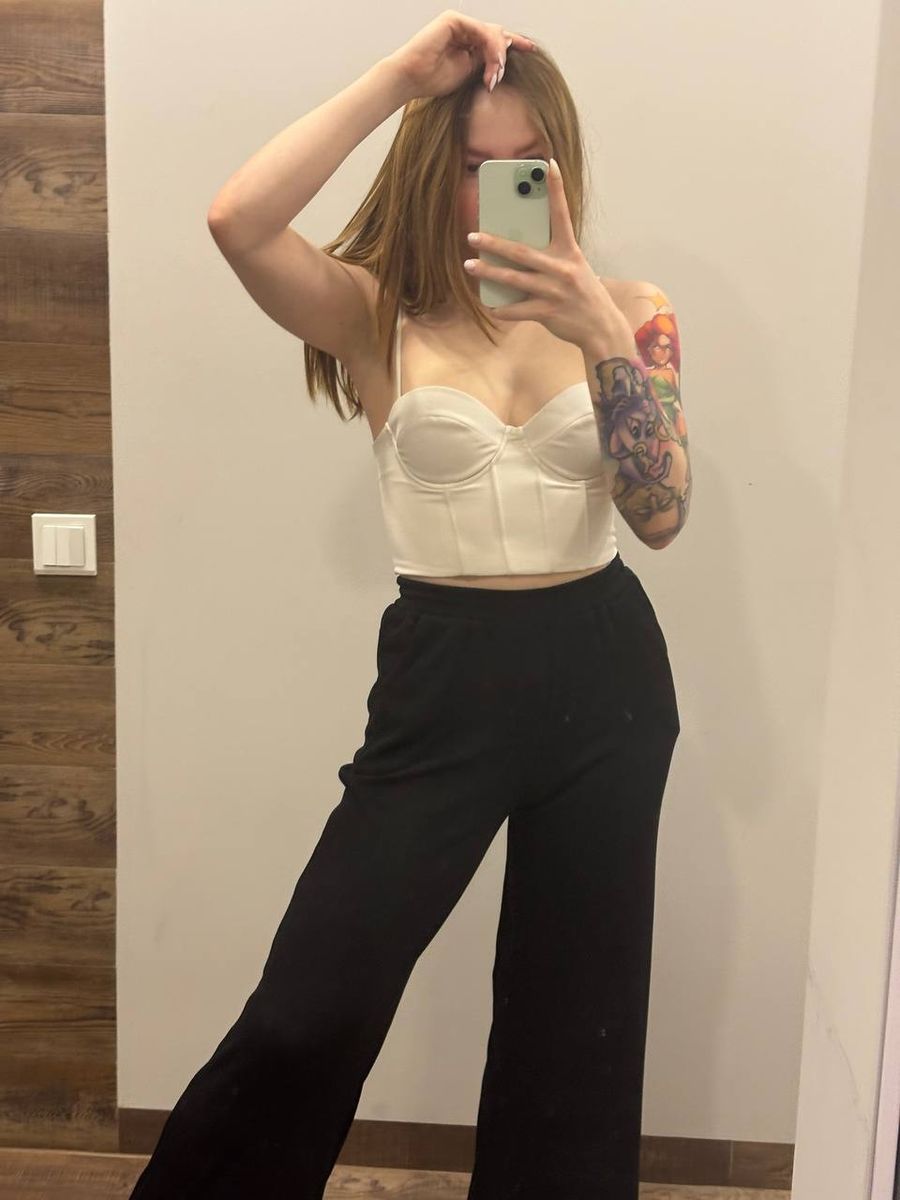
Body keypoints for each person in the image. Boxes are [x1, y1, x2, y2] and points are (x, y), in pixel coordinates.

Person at [129, 11, 688, 1199]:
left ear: (564, 171)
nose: (500, 193)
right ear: (437, 170)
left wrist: (599, 328)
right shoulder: (375, 311)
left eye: (529, 164)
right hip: (445, 677)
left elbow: (660, 513)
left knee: (574, 1036)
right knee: (310, 1007)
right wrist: (396, 79)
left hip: (607, 678)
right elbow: (237, 220)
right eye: (476, 165)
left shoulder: (633, 308)